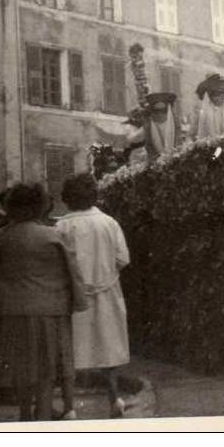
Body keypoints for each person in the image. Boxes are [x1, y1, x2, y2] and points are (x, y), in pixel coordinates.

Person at [0, 183, 87, 421]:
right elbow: (73, 273)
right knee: (47, 367)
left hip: (14, 311)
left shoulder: (1, 236)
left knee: (21, 366)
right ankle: (43, 413)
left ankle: (25, 413)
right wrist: (76, 303)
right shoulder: (54, 235)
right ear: (40, 206)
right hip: (51, 310)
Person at [57, 173, 132, 418]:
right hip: (107, 293)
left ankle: (69, 407)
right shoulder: (109, 223)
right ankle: (115, 399)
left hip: (73, 297)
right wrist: (103, 274)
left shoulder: (61, 226)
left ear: (67, 198)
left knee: (71, 350)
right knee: (107, 347)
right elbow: (123, 259)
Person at [190, 73, 224, 141]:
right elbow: (202, 132)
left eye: (222, 97)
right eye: (216, 96)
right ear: (212, 98)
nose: (219, 99)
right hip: (211, 143)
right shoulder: (206, 113)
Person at [139, 92, 182, 159]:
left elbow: (179, 143)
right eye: (157, 111)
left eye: (163, 111)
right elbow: (148, 146)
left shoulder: (175, 124)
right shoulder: (148, 126)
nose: (160, 114)